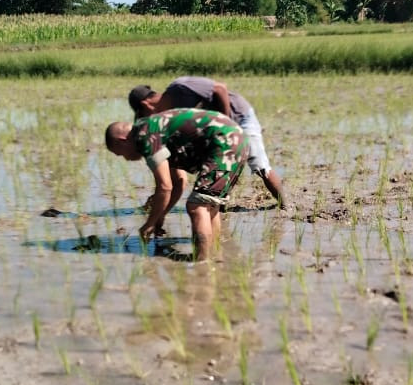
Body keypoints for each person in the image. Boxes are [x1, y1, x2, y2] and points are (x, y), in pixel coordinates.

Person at [105, 109, 248, 261]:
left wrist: (149, 224)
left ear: (122, 140)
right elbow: (179, 182)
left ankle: (202, 263)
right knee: (209, 205)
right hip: (236, 139)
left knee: (197, 206)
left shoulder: (144, 136)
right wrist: (161, 215)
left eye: (120, 154)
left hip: (224, 142)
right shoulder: (154, 129)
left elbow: (164, 187)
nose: (126, 158)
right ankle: (215, 257)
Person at [128, 76, 285, 208]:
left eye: (144, 115)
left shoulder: (179, 87)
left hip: (239, 116)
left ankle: (285, 206)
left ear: (146, 105)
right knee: (214, 164)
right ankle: (218, 205)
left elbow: (220, 89)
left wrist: (226, 121)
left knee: (259, 164)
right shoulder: (170, 115)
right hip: (218, 132)